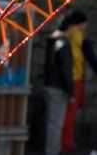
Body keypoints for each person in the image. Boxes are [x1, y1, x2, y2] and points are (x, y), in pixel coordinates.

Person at [43, 10, 82, 155]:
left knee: (52, 122)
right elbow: (66, 70)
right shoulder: (64, 44)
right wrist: (70, 92)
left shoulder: (53, 40)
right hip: (58, 88)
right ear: (70, 27)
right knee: (56, 124)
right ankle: (52, 152)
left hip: (49, 85)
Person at [59, 10, 97, 152]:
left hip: (66, 79)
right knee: (70, 115)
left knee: (64, 114)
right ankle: (66, 145)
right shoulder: (80, 38)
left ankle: (64, 143)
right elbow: (93, 61)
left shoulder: (66, 33)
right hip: (75, 80)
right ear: (81, 23)